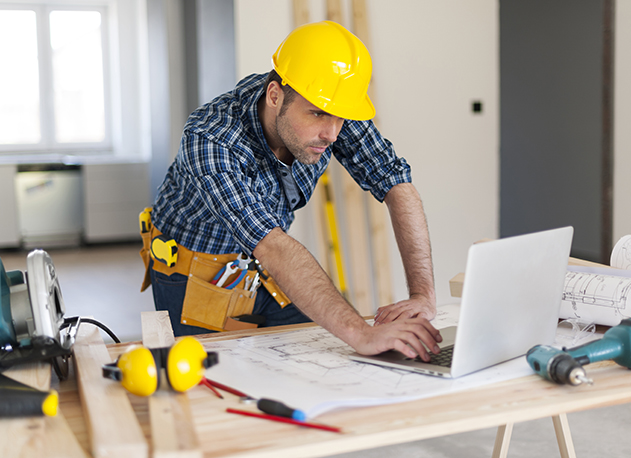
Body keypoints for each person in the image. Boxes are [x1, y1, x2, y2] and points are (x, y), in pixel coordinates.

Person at [143, 20, 441, 361]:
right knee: (210, 385)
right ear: (275, 95)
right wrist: (361, 332)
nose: (332, 133)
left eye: (340, 119)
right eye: (317, 115)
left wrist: (422, 295)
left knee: (320, 363)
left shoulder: (329, 104)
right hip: (193, 275)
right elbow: (271, 244)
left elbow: (396, 183)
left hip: (260, 269)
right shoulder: (211, 139)